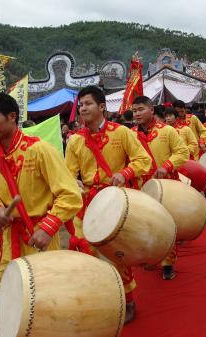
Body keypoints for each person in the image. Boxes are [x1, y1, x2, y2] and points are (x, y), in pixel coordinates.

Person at [0, 92, 82, 321]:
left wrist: (48, 226)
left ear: (12, 116)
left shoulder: (39, 149)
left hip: (39, 237)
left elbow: (70, 194)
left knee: (45, 305)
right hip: (9, 240)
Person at [65, 86, 151, 324]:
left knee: (116, 254)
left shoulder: (121, 133)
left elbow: (143, 160)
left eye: (88, 103)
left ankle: (128, 299)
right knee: (82, 250)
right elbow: (68, 173)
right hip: (86, 204)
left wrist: (125, 172)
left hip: (114, 202)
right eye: (80, 104)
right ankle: (97, 297)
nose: (83, 108)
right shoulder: (74, 140)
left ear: (102, 107)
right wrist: (73, 182)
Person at [132, 96, 189, 281]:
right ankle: (152, 256)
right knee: (147, 225)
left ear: (151, 110)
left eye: (141, 109)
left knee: (166, 223)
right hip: (142, 187)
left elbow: (182, 152)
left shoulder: (168, 131)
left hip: (166, 186)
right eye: (134, 111)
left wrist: (167, 166)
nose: (137, 113)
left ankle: (167, 263)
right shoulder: (130, 134)